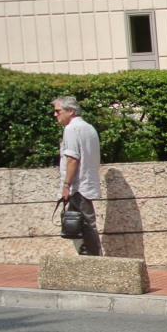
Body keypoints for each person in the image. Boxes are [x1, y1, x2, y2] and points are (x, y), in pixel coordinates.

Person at [53, 96, 102, 256]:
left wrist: (66, 185)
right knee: (75, 223)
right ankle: (85, 256)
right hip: (85, 182)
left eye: (58, 111)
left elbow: (72, 159)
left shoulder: (71, 129)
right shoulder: (89, 128)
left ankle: (95, 260)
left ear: (70, 111)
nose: (55, 114)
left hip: (78, 186)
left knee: (87, 223)